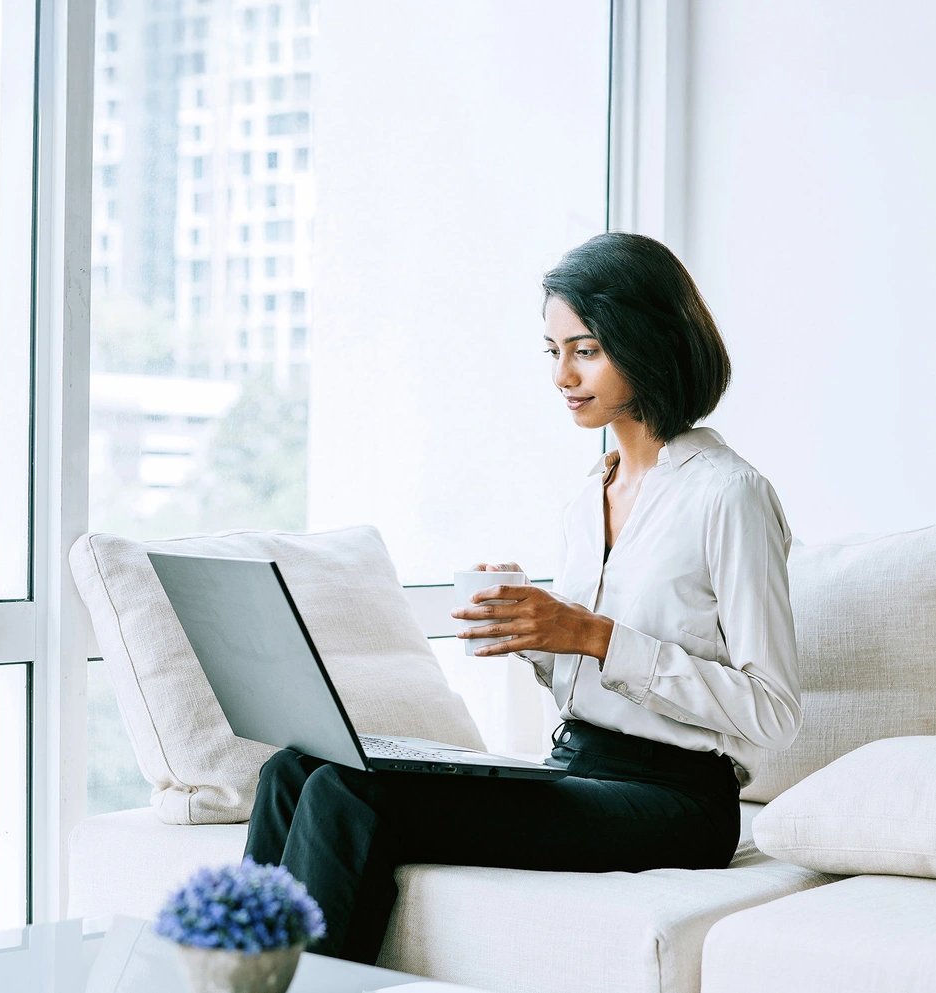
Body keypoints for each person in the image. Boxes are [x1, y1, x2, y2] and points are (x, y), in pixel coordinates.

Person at [243, 232, 802, 965]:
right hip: (574, 762)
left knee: (350, 795)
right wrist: (534, 628)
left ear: (648, 342)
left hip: (677, 800)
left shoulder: (730, 494)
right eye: (553, 350)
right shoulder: (589, 495)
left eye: (585, 350)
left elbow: (773, 711)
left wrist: (593, 634)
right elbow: (586, 672)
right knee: (292, 770)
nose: (562, 375)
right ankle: (230, 976)